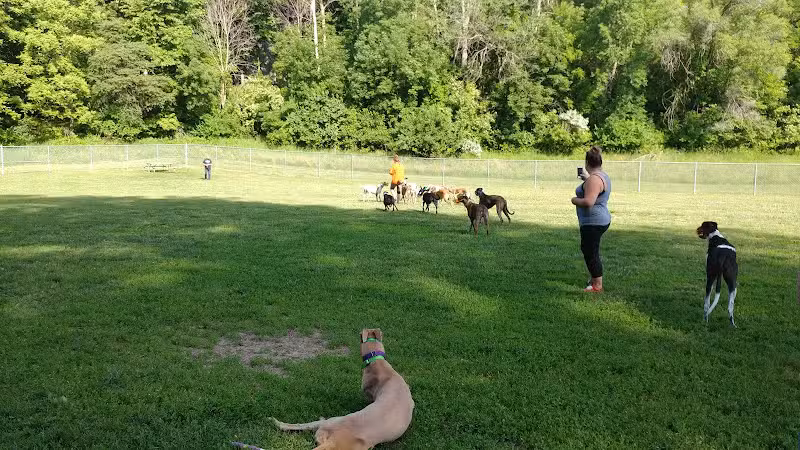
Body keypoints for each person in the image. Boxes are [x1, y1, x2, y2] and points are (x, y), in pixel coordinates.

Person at [571, 146, 611, 292]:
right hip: (597, 220)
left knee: (590, 251)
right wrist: (587, 180)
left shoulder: (594, 180)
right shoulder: (601, 176)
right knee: (589, 249)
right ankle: (595, 279)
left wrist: (574, 200)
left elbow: (588, 202)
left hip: (593, 222)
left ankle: (596, 286)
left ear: (587, 162)